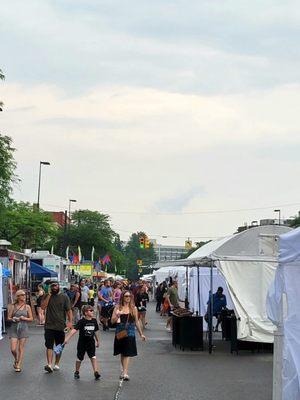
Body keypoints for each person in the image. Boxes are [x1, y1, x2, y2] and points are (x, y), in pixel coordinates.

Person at [111, 291, 145, 381]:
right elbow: (112, 321)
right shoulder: (118, 307)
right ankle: (123, 370)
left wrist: (141, 334)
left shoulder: (133, 308)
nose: (128, 298)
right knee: (122, 352)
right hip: (120, 331)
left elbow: (136, 322)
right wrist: (117, 315)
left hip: (130, 332)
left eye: (129, 296)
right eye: (126, 296)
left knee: (127, 353)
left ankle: (125, 372)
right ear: (122, 297)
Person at [41, 282, 73, 373]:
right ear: (50, 288)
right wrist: (49, 295)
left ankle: (56, 363)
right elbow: (43, 307)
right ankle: (49, 364)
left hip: (60, 326)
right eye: (52, 286)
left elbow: (69, 310)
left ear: (59, 286)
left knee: (59, 346)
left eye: (56, 285)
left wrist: (70, 322)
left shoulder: (64, 297)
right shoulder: (47, 296)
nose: (54, 287)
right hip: (49, 326)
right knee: (49, 345)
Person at [64, 305, 100, 380]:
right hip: (82, 343)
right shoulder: (81, 322)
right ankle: (77, 371)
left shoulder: (94, 321)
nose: (92, 312)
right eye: (91, 310)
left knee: (93, 356)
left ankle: (96, 372)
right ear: (86, 313)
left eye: (92, 310)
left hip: (91, 343)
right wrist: (67, 338)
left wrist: (98, 341)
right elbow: (74, 330)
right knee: (79, 358)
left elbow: (96, 331)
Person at [7, 290, 33, 372]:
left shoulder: (27, 306)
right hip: (14, 328)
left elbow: (31, 318)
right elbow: (8, 318)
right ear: (18, 297)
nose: (24, 296)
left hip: (23, 328)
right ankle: (16, 359)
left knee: (21, 348)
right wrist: (13, 319)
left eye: (24, 295)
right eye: (22, 295)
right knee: (13, 349)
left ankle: (18, 364)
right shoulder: (13, 306)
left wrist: (24, 318)